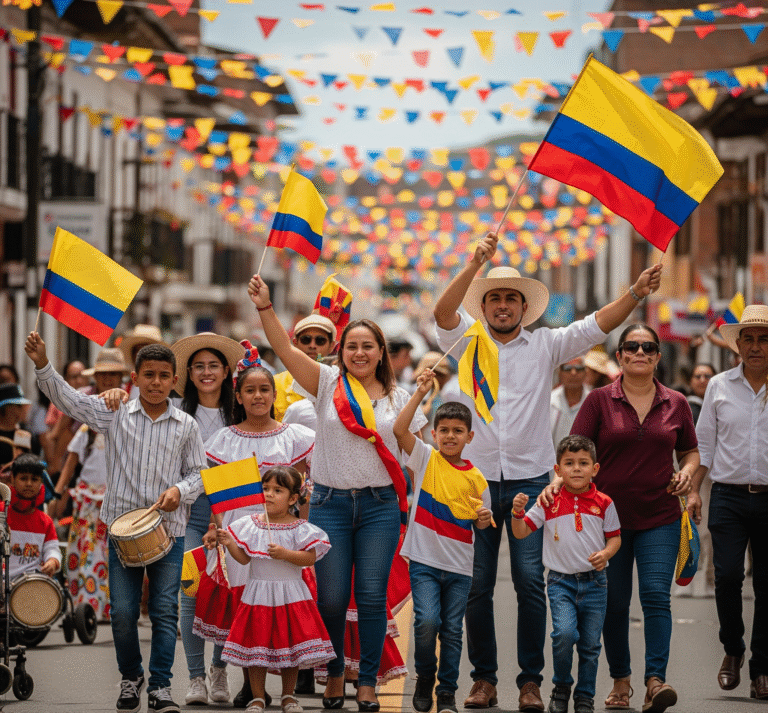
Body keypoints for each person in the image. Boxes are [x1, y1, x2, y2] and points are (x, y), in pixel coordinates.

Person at [433, 232, 661, 711]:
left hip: (532, 480)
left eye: (510, 299)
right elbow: (442, 313)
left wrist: (637, 292)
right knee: (476, 585)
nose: (501, 306)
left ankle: (530, 682)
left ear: (523, 307)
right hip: (473, 482)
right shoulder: (466, 341)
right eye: (493, 298)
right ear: (485, 305)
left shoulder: (546, 345)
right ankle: (484, 679)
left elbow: (598, 324)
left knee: (530, 583)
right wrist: (475, 263)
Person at [248, 274, 427, 712]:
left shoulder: (401, 396)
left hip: (380, 507)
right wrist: (266, 309)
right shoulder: (327, 383)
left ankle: (365, 680)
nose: (360, 353)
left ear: (381, 353)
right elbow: (287, 352)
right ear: (340, 352)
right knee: (328, 596)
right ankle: (331, 671)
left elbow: (421, 456)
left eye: (368, 346)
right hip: (328, 503)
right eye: (352, 346)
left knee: (368, 594)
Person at [25, 333, 206, 713]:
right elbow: (69, 400)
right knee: (122, 613)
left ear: (175, 380)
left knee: (163, 612)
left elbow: (199, 474)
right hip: (121, 534)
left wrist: (179, 490)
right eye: (149, 375)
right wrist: (43, 363)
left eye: (163, 376)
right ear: (135, 379)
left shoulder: (187, 425)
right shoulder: (114, 413)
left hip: (169, 532)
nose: (156, 382)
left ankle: (159, 686)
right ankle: (131, 675)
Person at [558, 323, 698, 713]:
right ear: (619, 356)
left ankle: (655, 681)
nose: (640, 352)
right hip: (607, 523)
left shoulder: (677, 403)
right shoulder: (599, 401)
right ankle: (621, 679)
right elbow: (575, 451)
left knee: (656, 597)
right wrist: (558, 485)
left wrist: (687, 472)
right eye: (631, 347)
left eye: (648, 347)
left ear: (657, 356)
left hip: (661, 516)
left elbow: (690, 451)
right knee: (615, 604)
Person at [193, 344, 314, 708]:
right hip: (241, 543)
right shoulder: (223, 440)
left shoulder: (296, 438)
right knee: (248, 614)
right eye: (250, 390)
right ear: (239, 397)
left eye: (264, 389)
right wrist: (217, 530)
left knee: (285, 612)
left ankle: (288, 690)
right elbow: (216, 495)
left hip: (285, 540)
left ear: (274, 395)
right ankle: (252, 687)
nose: (258, 396)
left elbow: (307, 488)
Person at [393, 370, 492, 713]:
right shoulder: (425, 458)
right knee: (426, 622)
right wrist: (419, 394)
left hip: (460, 567)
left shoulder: (478, 480)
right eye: (444, 430)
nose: (450, 436)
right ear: (434, 434)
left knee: (451, 631)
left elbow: (483, 519)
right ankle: (425, 675)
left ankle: (447, 692)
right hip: (423, 562)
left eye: (458, 431)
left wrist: (482, 518)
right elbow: (399, 430)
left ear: (469, 437)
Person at [688, 305, 768, 701]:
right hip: (728, 497)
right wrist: (692, 491)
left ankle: (762, 668)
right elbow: (704, 445)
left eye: (764, 339)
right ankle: (733, 648)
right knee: (729, 575)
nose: (756, 347)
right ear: (737, 345)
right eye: (749, 339)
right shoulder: (719, 386)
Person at [207, 466, 335, 713]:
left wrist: (286, 554)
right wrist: (230, 543)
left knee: (292, 647)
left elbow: (309, 558)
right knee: (257, 647)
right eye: (265, 489)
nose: (269, 494)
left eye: (277, 490)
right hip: (258, 594)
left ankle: (288, 695)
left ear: (293, 498)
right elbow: (244, 559)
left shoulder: (300, 527)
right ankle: (257, 696)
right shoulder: (250, 524)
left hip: (291, 595)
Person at [513, 435, 621, 713]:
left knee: (590, 645)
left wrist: (606, 554)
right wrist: (516, 514)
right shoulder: (548, 501)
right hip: (561, 582)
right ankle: (561, 687)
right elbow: (522, 532)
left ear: (595, 469)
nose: (576, 468)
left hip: (596, 583)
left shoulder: (604, 503)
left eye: (583, 463)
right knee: (563, 634)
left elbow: (615, 538)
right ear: (557, 470)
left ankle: (584, 695)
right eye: (569, 463)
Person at [170, 332, 244, 707]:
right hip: (189, 516)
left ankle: (220, 671)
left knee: (229, 592)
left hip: (233, 516)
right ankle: (196, 677)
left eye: (213, 365)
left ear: (227, 370)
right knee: (191, 592)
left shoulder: (242, 412)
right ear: (188, 373)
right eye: (198, 366)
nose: (206, 372)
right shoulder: (177, 414)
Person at [678, 363, 716, 599]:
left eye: (707, 376)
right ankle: (684, 578)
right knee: (684, 526)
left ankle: (707, 579)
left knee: (707, 529)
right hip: (683, 474)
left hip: (713, 476)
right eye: (697, 375)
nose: (702, 379)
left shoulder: (721, 402)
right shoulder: (683, 405)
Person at [274, 314, 336, 427]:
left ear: (331, 346)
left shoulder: (341, 386)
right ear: (295, 343)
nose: (312, 345)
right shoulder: (274, 384)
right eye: (306, 340)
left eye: (320, 340)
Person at [7, 453, 61, 580]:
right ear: (12, 479)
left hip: (33, 585)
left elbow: (52, 549)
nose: (29, 484)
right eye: (23, 478)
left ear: (41, 483)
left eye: (34, 479)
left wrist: (52, 561)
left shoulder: (45, 521)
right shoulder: (1, 512)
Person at [550, 358, 590, 449]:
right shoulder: (549, 402)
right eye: (567, 368)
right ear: (559, 373)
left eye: (578, 368)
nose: (573, 373)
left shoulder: (595, 403)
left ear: (586, 372)